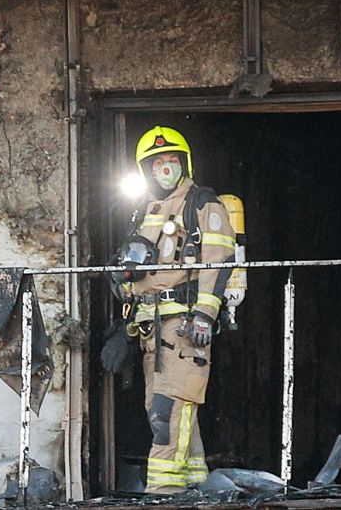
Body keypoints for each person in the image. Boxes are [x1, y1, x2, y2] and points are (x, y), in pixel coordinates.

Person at [110, 126, 238, 493]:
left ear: (185, 163)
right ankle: (197, 486)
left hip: (183, 326)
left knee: (170, 409)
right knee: (169, 408)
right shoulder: (143, 211)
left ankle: (163, 493)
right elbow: (135, 267)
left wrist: (204, 314)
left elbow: (218, 260)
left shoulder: (202, 203)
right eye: (157, 162)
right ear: (145, 170)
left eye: (172, 160)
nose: (165, 168)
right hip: (150, 328)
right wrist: (122, 288)